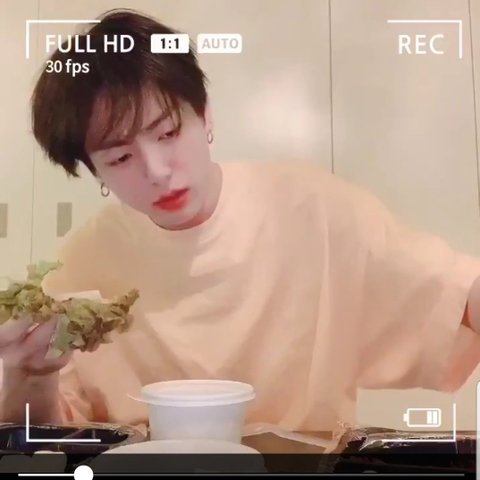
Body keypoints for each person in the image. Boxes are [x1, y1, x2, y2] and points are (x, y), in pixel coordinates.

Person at [2, 8, 480, 433]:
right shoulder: (85, 263)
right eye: (121, 158)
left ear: (205, 115)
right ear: (94, 171)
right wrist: (31, 375)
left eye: (168, 132)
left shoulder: (314, 210)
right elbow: (49, 430)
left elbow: (456, 294)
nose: (158, 171)